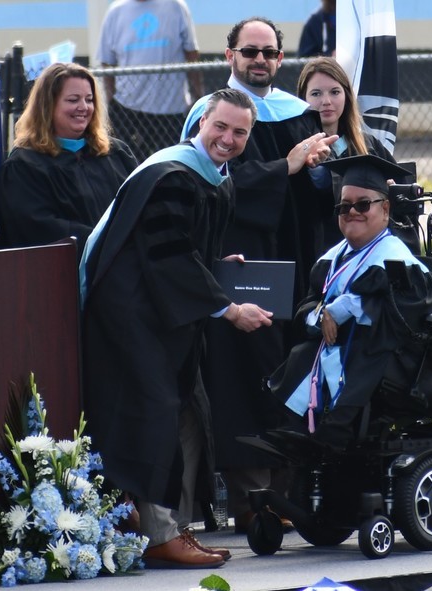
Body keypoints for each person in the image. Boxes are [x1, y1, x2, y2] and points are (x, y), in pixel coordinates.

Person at [81, 88, 273, 568]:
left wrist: (217, 265)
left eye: (240, 132)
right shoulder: (172, 176)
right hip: (133, 313)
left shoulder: (214, 178)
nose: (228, 139)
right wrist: (228, 308)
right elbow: (168, 257)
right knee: (154, 412)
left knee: (184, 409)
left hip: (162, 312)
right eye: (220, 126)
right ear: (200, 122)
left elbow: (182, 249)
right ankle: (158, 535)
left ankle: (169, 528)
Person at [181, 17, 337, 532]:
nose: (260, 60)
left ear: (280, 58)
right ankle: (251, 500)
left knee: (293, 371)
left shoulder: (298, 114)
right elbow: (209, 184)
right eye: (250, 51)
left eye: (269, 52)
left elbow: (313, 199)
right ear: (230, 55)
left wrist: (320, 173)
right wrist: (284, 168)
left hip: (294, 259)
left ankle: (288, 496)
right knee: (244, 376)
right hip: (241, 263)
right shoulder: (212, 115)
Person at [269, 155, 432, 449]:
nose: (352, 212)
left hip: (383, 363)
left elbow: (401, 316)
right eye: (344, 206)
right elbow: (305, 309)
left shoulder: (399, 263)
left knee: (363, 349)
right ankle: (294, 427)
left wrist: (343, 309)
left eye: (363, 205)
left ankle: (333, 433)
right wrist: (322, 314)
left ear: (385, 209)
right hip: (333, 353)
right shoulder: (329, 261)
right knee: (300, 353)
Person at [0, 62, 138, 255]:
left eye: (89, 100)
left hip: (124, 263)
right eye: (73, 100)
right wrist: (106, 240)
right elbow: (39, 228)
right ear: (48, 105)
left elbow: (139, 205)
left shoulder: (116, 153)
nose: (84, 107)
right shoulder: (24, 166)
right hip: (68, 268)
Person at [297, 56, 397, 250]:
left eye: (335, 92)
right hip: (317, 250)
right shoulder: (296, 150)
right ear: (303, 99)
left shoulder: (367, 145)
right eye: (316, 93)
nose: (326, 101)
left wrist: (389, 191)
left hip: (369, 249)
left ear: (347, 96)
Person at [98, 0, 204, 162]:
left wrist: (198, 97)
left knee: (172, 165)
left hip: (171, 111)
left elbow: (191, 54)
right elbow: (107, 61)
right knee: (128, 164)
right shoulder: (115, 11)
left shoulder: (175, 6)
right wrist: (110, 99)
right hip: (128, 109)